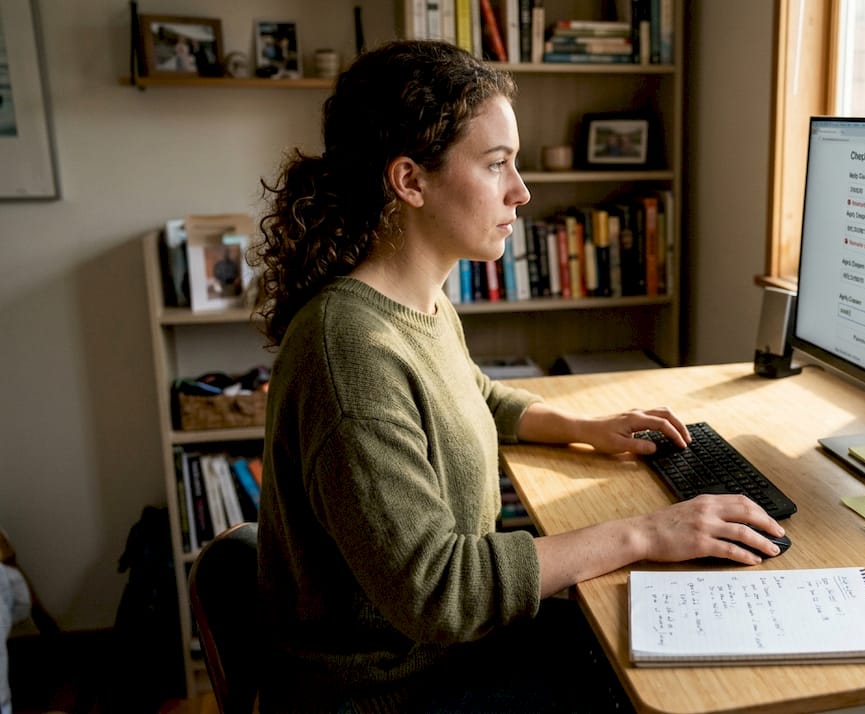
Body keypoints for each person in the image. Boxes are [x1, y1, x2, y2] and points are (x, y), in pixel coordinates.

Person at [253, 39, 786, 713]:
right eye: (497, 165)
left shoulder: (415, 302)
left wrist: (585, 427)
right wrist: (647, 531)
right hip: (396, 689)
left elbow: (467, 393)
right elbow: (441, 593)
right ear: (410, 181)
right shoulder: (351, 351)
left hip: (448, 652)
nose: (522, 191)